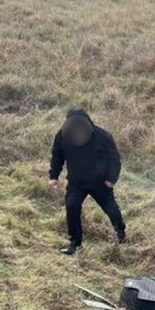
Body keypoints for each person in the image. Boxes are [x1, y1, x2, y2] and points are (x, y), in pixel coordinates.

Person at [48, 109, 126, 255]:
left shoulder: (103, 136)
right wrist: (54, 176)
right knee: (72, 208)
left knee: (111, 209)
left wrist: (111, 179)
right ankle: (74, 244)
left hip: (100, 183)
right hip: (76, 183)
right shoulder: (63, 136)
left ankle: (121, 234)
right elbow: (57, 156)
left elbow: (114, 159)